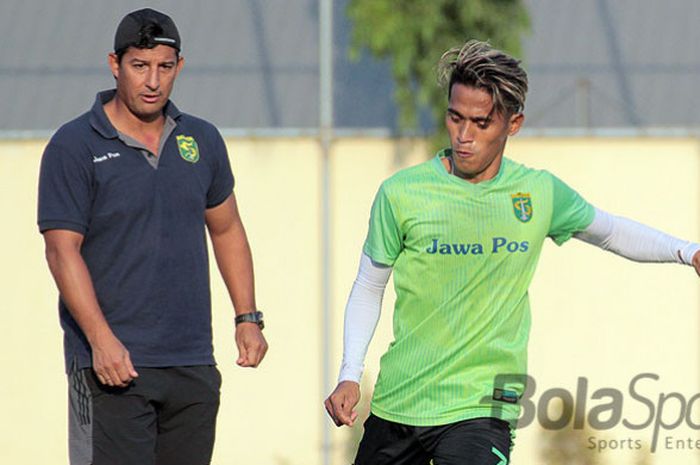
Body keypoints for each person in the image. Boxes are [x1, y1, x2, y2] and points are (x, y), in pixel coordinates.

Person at [324, 40, 700, 465]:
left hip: (483, 407)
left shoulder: (538, 193)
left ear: (513, 124)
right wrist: (349, 374)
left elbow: (610, 231)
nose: (464, 136)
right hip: (400, 401)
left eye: (481, 123)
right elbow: (369, 285)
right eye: (455, 118)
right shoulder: (402, 193)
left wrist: (688, 252)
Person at [37, 8, 267, 465]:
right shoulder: (75, 144)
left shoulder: (201, 140)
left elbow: (227, 229)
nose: (152, 81)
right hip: (112, 367)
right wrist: (102, 341)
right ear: (115, 64)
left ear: (179, 67)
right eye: (139, 66)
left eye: (164, 67)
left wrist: (248, 316)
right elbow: (62, 252)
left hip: (191, 363)